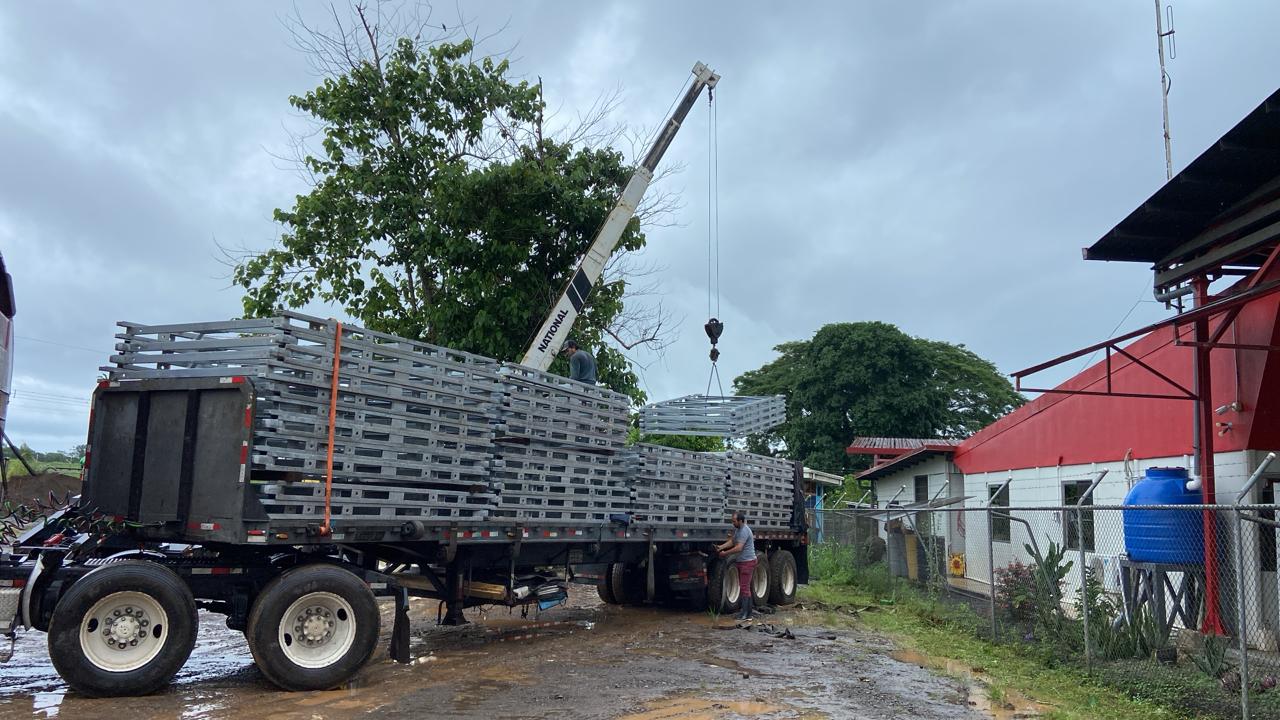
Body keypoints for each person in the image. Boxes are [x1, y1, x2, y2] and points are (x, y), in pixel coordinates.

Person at [715, 510, 757, 622]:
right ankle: (747, 613)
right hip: (743, 561)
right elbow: (733, 541)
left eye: (734, 521)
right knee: (745, 588)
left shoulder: (744, 531)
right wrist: (721, 547)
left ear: (740, 521)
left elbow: (738, 547)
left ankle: (745, 614)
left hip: (747, 562)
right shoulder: (739, 530)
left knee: (744, 588)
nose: (733, 523)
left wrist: (725, 553)